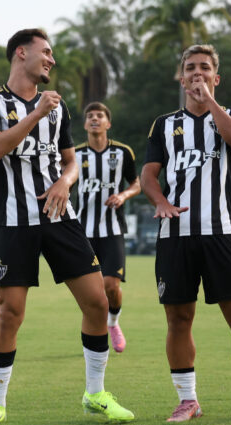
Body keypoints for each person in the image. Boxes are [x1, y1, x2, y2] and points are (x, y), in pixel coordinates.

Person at [0, 29, 134, 425]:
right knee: (11, 312)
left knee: (98, 302)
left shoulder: (57, 108)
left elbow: (70, 160)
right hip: (13, 220)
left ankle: (95, 394)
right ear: (21, 53)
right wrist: (36, 113)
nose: (52, 60)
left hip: (61, 219)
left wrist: (66, 181)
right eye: (46, 52)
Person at [140, 44, 231, 424]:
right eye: (190, 68)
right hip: (175, 236)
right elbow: (148, 176)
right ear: (181, 77)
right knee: (179, 319)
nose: (197, 73)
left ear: (215, 78)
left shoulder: (230, 114)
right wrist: (160, 202)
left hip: (221, 233)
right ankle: (188, 400)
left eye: (205, 68)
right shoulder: (164, 125)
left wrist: (211, 103)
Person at [74, 101, 141, 353]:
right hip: (83, 233)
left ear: (108, 123)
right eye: (90, 116)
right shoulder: (75, 155)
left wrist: (123, 196)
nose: (94, 119)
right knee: (91, 293)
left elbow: (136, 183)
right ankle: (94, 336)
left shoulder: (123, 152)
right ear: (84, 124)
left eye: (99, 116)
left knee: (111, 286)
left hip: (112, 230)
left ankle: (113, 323)